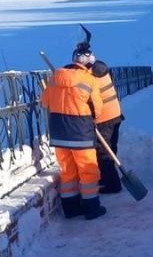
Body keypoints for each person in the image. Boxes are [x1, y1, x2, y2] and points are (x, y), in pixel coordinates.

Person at [40, 44, 107, 221]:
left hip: (59, 134)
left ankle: (70, 209)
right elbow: (97, 109)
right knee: (88, 171)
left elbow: (45, 103)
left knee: (68, 172)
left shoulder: (55, 78)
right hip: (81, 133)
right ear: (88, 64)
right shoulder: (89, 79)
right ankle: (92, 208)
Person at [90, 59, 124, 194]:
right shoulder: (101, 70)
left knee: (104, 153)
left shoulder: (90, 77)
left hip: (104, 118)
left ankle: (112, 184)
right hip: (115, 115)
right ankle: (106, 177)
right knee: (110, 149)